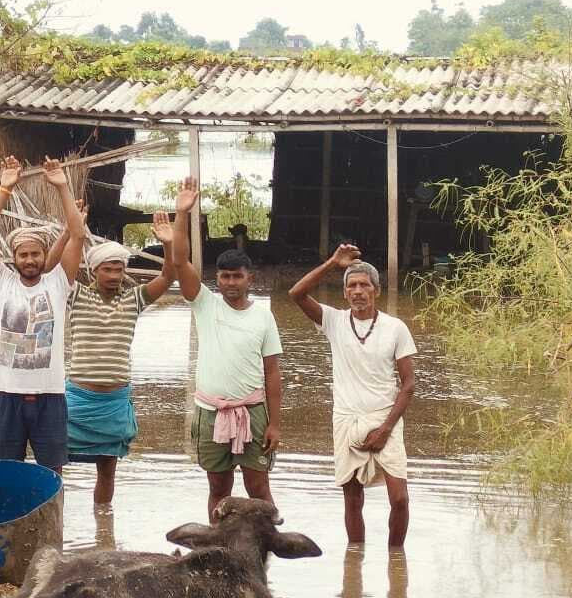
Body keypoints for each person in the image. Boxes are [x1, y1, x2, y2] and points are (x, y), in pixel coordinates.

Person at [288, 243, 416, 548]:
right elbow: (296, 294)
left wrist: (386, 428)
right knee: (352, 499)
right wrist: (333, 263)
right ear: (345, 293)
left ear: (376, 291)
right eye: (352, 285)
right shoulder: (333, 321)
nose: (358, 290)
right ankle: (354, 562)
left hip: (386, 418)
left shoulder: (395, 328)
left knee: (399, 498)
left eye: (364, 285)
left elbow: (409, 383)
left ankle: (396, 561)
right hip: (347, 419)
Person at [45, 210, 177, 503]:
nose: (115, 276)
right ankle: (54, 519)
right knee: (55, 466)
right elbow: (52, 271)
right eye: (108, 270)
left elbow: (169, 275)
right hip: (78, 400)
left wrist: (168, 243)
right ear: (93, 271)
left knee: (107, 470)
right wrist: (73, 231)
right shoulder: (76, 295)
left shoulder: (134, 298)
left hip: (114, 403)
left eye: (119, 270)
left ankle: (103, 530)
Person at [171, 177, 283, 521]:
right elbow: (179, 261)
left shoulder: (264, 316)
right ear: (216, 279)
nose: (230, 283)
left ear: (251, 278)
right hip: (210, 412)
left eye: (237, 276)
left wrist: (275, 424)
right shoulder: (206, 304)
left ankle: (264, 553)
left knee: (258, 489)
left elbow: (273, 373)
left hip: (253, 412)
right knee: (218, 490)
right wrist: (182, 214)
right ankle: (217, 550)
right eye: (224, 277)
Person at [0, 155, 85, 473]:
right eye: (23, 254)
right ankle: (7, 523)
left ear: (44, 254)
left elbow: (77, 235)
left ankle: (53, 523)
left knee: (53, 474)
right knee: (4, 473)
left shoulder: (58, 283)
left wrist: (63, 187)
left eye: (36, 253)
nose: (30, 259)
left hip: (50, 395)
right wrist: (4, 189)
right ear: (14, 257)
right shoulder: (1, 283)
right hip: (7, 394)